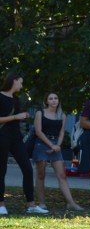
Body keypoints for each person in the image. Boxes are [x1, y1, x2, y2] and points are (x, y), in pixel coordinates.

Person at [0, 71, 47, 215]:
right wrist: (16, 116)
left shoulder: (16, 99)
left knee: (27, 168)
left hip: (16, 138)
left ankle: (31, 204)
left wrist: (23, 116)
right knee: (1, 171)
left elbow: (16, 118)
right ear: (14, 81)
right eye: (20, 82)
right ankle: (1, 204)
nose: (21, 85)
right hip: (2, 136)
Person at [32, 92, 84, 211]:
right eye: (51, 99)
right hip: (42, 143)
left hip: (56, 144)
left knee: (62, 175)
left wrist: (57, 145)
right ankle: (42, 203)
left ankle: (71, 203)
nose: (54, 100)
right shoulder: (40, 113)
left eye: (56, 98)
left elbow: (61, 132)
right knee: (41, 174)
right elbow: (38, 132)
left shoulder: (62, 115)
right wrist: (51, 145)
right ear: (47, 101)